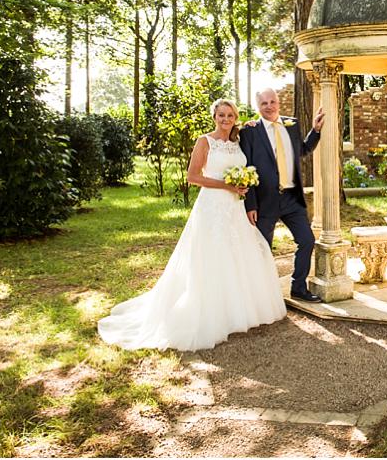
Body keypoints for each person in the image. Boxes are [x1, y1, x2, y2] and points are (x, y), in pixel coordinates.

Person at [98, 99, 286, 351]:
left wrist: (242, 184)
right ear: (214, 116)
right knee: (211, 256)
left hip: (234, 207)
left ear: (235, 117)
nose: (225, 119)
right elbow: (193, 177)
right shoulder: (204, 141)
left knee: (237, 254)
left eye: (230, 115)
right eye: (221, 115)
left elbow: (257, 136)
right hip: (212, 206)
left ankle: (237, 311)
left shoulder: (238, 141)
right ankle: (210, 313)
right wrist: (227, 186)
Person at [240, 88, 325, 302]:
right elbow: (246, 167)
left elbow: (302, 151)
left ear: (278, 102)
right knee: (262, 249)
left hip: (291, 199)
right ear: (257, 106)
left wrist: (315, 131)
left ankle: (298, 287)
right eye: (264, 103)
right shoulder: (250, 131)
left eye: (272, 101)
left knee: (306, 240)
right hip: (263, 200)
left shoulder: (292, 124)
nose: (269, 106)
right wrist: (250, 204)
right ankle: (261, 296)